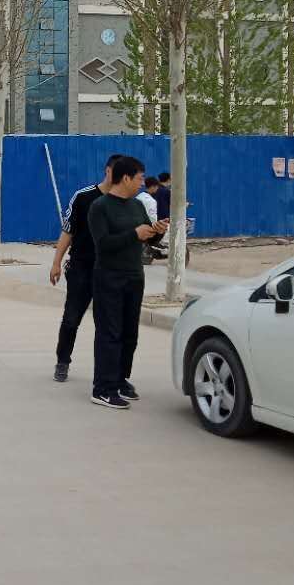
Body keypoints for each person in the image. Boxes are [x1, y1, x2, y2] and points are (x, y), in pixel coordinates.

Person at [87, 155, 166, 410]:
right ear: (126, 178)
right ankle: (103, 388)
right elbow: (103, 244)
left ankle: (120, 379)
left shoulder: (137, 206)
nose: (143, 183)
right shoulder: (100, 207)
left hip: (134, 276)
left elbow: (146, 239)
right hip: (109, 277)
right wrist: (134, 234)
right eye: (140, 178)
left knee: (130, 334)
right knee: (110, 333)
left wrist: (157, 231)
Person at [49, 154, 121, 383]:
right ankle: (62, 361)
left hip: (110, 272)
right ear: (108, 171)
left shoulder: (124, 202)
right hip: (81, 268)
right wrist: (56, 262)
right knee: (71, 318)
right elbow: (68, 231)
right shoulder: (83, 197)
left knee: (108, 324)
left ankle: (109, 371)